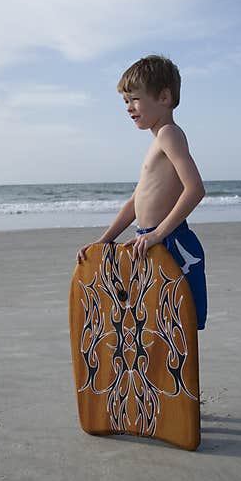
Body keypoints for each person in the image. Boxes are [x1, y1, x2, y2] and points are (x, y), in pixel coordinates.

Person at [76, 55, 207, 330]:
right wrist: (103, 241)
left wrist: (159, 234)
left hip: (171, 244)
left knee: (175, 329)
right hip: (147, 243)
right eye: (125, 101)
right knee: (153, 329)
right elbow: (137, 201)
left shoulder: (169, 134)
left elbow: (195, 189)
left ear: (163, 97)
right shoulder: (158, 140)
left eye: (135, 99)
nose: (128, 108)